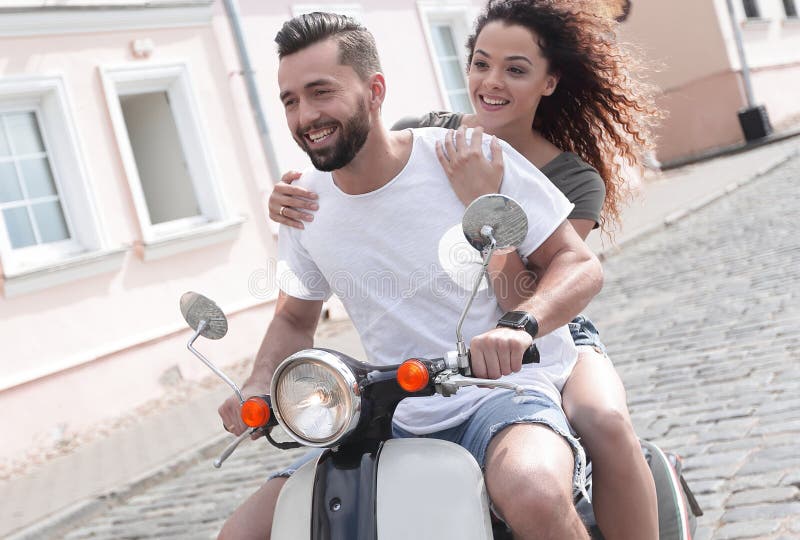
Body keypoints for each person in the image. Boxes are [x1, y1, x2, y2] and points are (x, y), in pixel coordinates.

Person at [267, 1, 662, 539]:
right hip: (403, 395)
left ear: (548, 83)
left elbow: (549, 278)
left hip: (532, 339)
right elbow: (295, 313)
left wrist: (490, 217)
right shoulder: (336, 186)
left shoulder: (542, 170)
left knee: (597, 428)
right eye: (481, 63)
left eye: (515, 69)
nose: (492, 82)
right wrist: (253, 382)